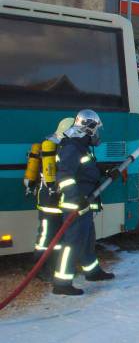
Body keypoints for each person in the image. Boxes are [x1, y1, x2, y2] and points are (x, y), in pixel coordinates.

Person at [53, 109, 115, 296]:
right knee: (72, 244)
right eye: (95, 129)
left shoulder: (82, 147)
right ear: (87, 128)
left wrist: (104, 173)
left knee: (87, 240)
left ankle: (92, 272)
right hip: (75, 205)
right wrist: (75, 198)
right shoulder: (72, 147)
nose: (97, 134)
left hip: (84, 204)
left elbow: (86, 172)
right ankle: (61, 283)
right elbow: (64, 176)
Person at [28, 117, 74, 280]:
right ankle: (40, 269)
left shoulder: (48, 144)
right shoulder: (61, 148)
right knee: (48, 237)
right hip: (52, 201)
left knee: (51, 236)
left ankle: (50, 267)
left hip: (48, 200)